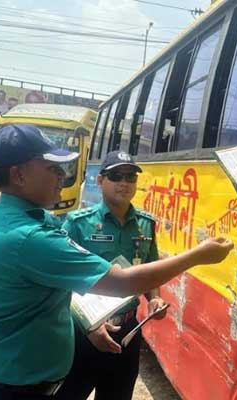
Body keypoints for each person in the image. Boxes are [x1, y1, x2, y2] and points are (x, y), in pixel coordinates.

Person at [0, 124, 233, 399]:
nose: (62, 175)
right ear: (19, 175)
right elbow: (122, 282)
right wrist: (199, 255)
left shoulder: (11, 219)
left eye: (130, 178)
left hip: (8, 381)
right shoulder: (28, 237)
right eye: (52, 168)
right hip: (6, 390)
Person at [55, 151, 167, 400]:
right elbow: (61, 280)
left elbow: (149, 268)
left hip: (127, 330)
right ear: (100, 180)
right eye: (116, 176)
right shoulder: (77, 224)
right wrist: (90, 326)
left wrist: (155, 299)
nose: (124, 183)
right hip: (82, 333)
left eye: (130, 177)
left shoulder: (146, 225)